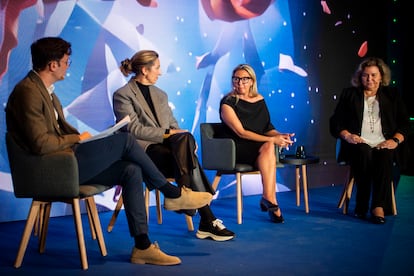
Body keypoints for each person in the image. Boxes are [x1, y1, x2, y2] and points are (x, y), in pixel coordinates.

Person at [5, 37, 214, 266]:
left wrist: (87, 140)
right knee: (125, 139)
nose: (68, 66)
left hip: (65, 164)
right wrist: (77, 138)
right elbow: (40, 144)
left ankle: (142, 246)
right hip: (49, 171)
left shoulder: (47, 92)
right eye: (66, 62)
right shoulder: (28, 92)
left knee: (131, 170)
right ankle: (172, 194)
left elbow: (52, 136)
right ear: (53, 64)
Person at [112, 50, 235, 242]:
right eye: (157, 68)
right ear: (145, 70)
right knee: (186, 154)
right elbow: (133, 129)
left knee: (185, 140)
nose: (160, 72)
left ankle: (186, 196)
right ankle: (205, 217)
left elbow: (173, 125)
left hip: (170, 154)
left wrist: (183, 140)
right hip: (143, 152)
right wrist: (168, 135)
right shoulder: (123, 95)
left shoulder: (160, 94)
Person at [329, 57, 410, 224]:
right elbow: (336, 122)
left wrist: (395, 140)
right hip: (358, 143)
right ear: (360, 77)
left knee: (385, 154)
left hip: (384, 142)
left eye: (374, 75)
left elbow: (405, 124)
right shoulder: (349, 94)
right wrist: (348, 136)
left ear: (381, 77)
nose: (370, 79)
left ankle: (378, 206)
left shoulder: (391, 95)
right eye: (365, 75)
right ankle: (362, 203)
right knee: (363, 151)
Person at [219, 64, 295, 223]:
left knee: (269, 146)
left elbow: (267, 128)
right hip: (236, 148)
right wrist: (272, 139)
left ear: (252, 81)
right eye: (236, 79)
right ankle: (270, 199)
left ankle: (269, 198)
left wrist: (280, 136)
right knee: (269, 145)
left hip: (258, 147)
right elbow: (241, 132)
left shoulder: (259, 100)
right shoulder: (227, 102)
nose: (240, 83)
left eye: (244, 79)